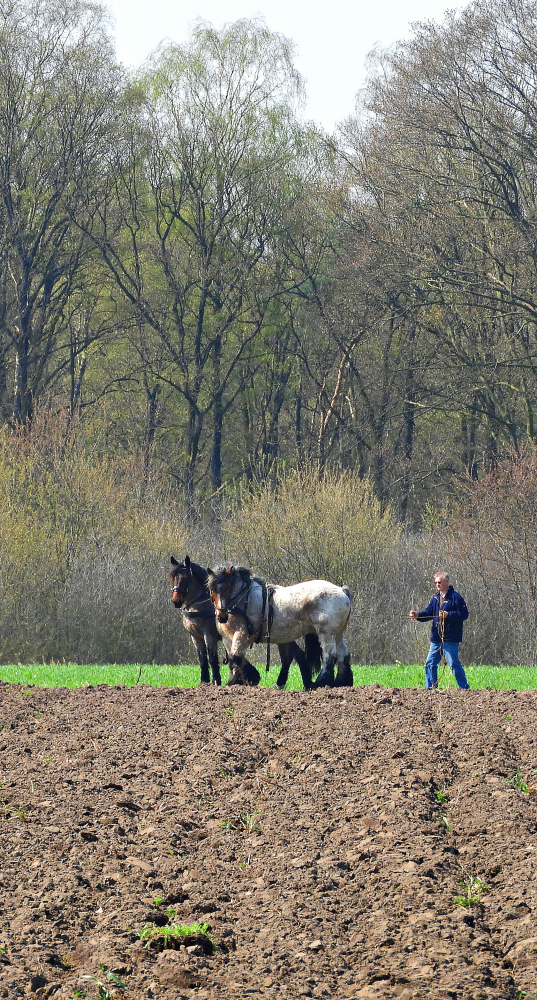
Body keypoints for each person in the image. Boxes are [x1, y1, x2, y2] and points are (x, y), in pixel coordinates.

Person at [409, 572, 470, 690]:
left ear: (446, 582)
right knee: (430, 663)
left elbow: (464, 614)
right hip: (436, 638)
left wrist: (448, 615)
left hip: (450, 638)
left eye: (439, 582)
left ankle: (464, 688)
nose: (437, 584)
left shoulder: (456, 598)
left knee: (453, 664)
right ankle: (431, 689)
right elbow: (428, 613)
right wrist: (417, 615)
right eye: (436, 582)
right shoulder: (435, 598)